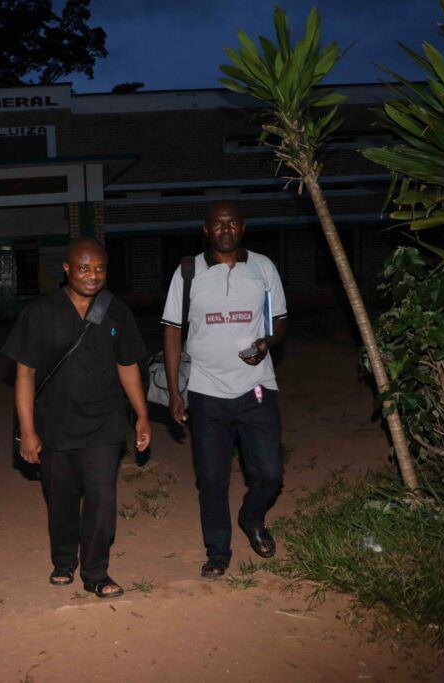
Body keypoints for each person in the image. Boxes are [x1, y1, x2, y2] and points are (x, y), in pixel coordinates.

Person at [2, 237, 151, 598]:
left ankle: (96, 572)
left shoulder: (116, 311)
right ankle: (64, 559)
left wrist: (142, 416)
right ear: (67, 269)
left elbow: (128, 365)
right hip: (55, 425)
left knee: (102, 495)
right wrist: (28, 430)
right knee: (62, 498)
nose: (92, 276)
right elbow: (25, 375)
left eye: (99, 268)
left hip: (104, 423)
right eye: (83, 268)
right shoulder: (40, 313)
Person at [160, 201, 288, 578]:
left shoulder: (263, 268)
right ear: (206, 230)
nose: (225, 229)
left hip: (256, 387)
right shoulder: (188, 272)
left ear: (243, 228)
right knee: (212, 479)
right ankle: (218, 552)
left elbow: (279, 320)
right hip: (205, 390)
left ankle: (252, 517)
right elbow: (171, 331)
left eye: (232, 223)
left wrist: (266, 343)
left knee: (270, 474)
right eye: (218, 224)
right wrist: (174, 391)